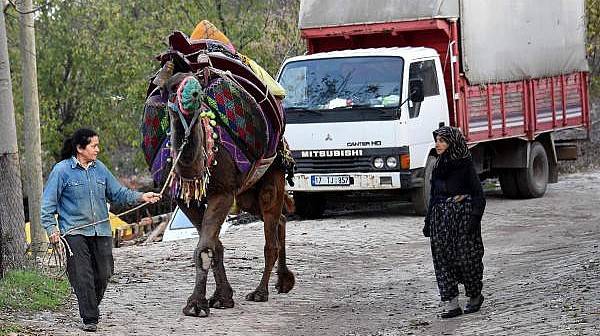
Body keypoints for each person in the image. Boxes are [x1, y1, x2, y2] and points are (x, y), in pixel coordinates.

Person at [41, 128, 161, 332]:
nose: (98, 149)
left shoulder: (100, 169)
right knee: (83, 275)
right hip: (74, 232)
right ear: (80, 148)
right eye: (94, 145)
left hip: (101, 230)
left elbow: (118, 193)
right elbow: (47, 205)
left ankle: (89, 305)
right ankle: (90, 317)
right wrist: (52, 229)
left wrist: (141, 197)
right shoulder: (61, 171)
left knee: (105, 272)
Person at [422, 126, 486, 318]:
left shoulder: (464, 163)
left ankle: (474, 296)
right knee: (443, 261)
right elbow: (434, 195)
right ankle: (452, 304)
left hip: (463, 217)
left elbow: (478, 194)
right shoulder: (438, 164)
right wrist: (428, 222)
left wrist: (473, 220)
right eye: (437, 140)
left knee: (467, 259)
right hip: (440, 219)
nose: (438, 144)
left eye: (442, 141)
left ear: (452, 143)